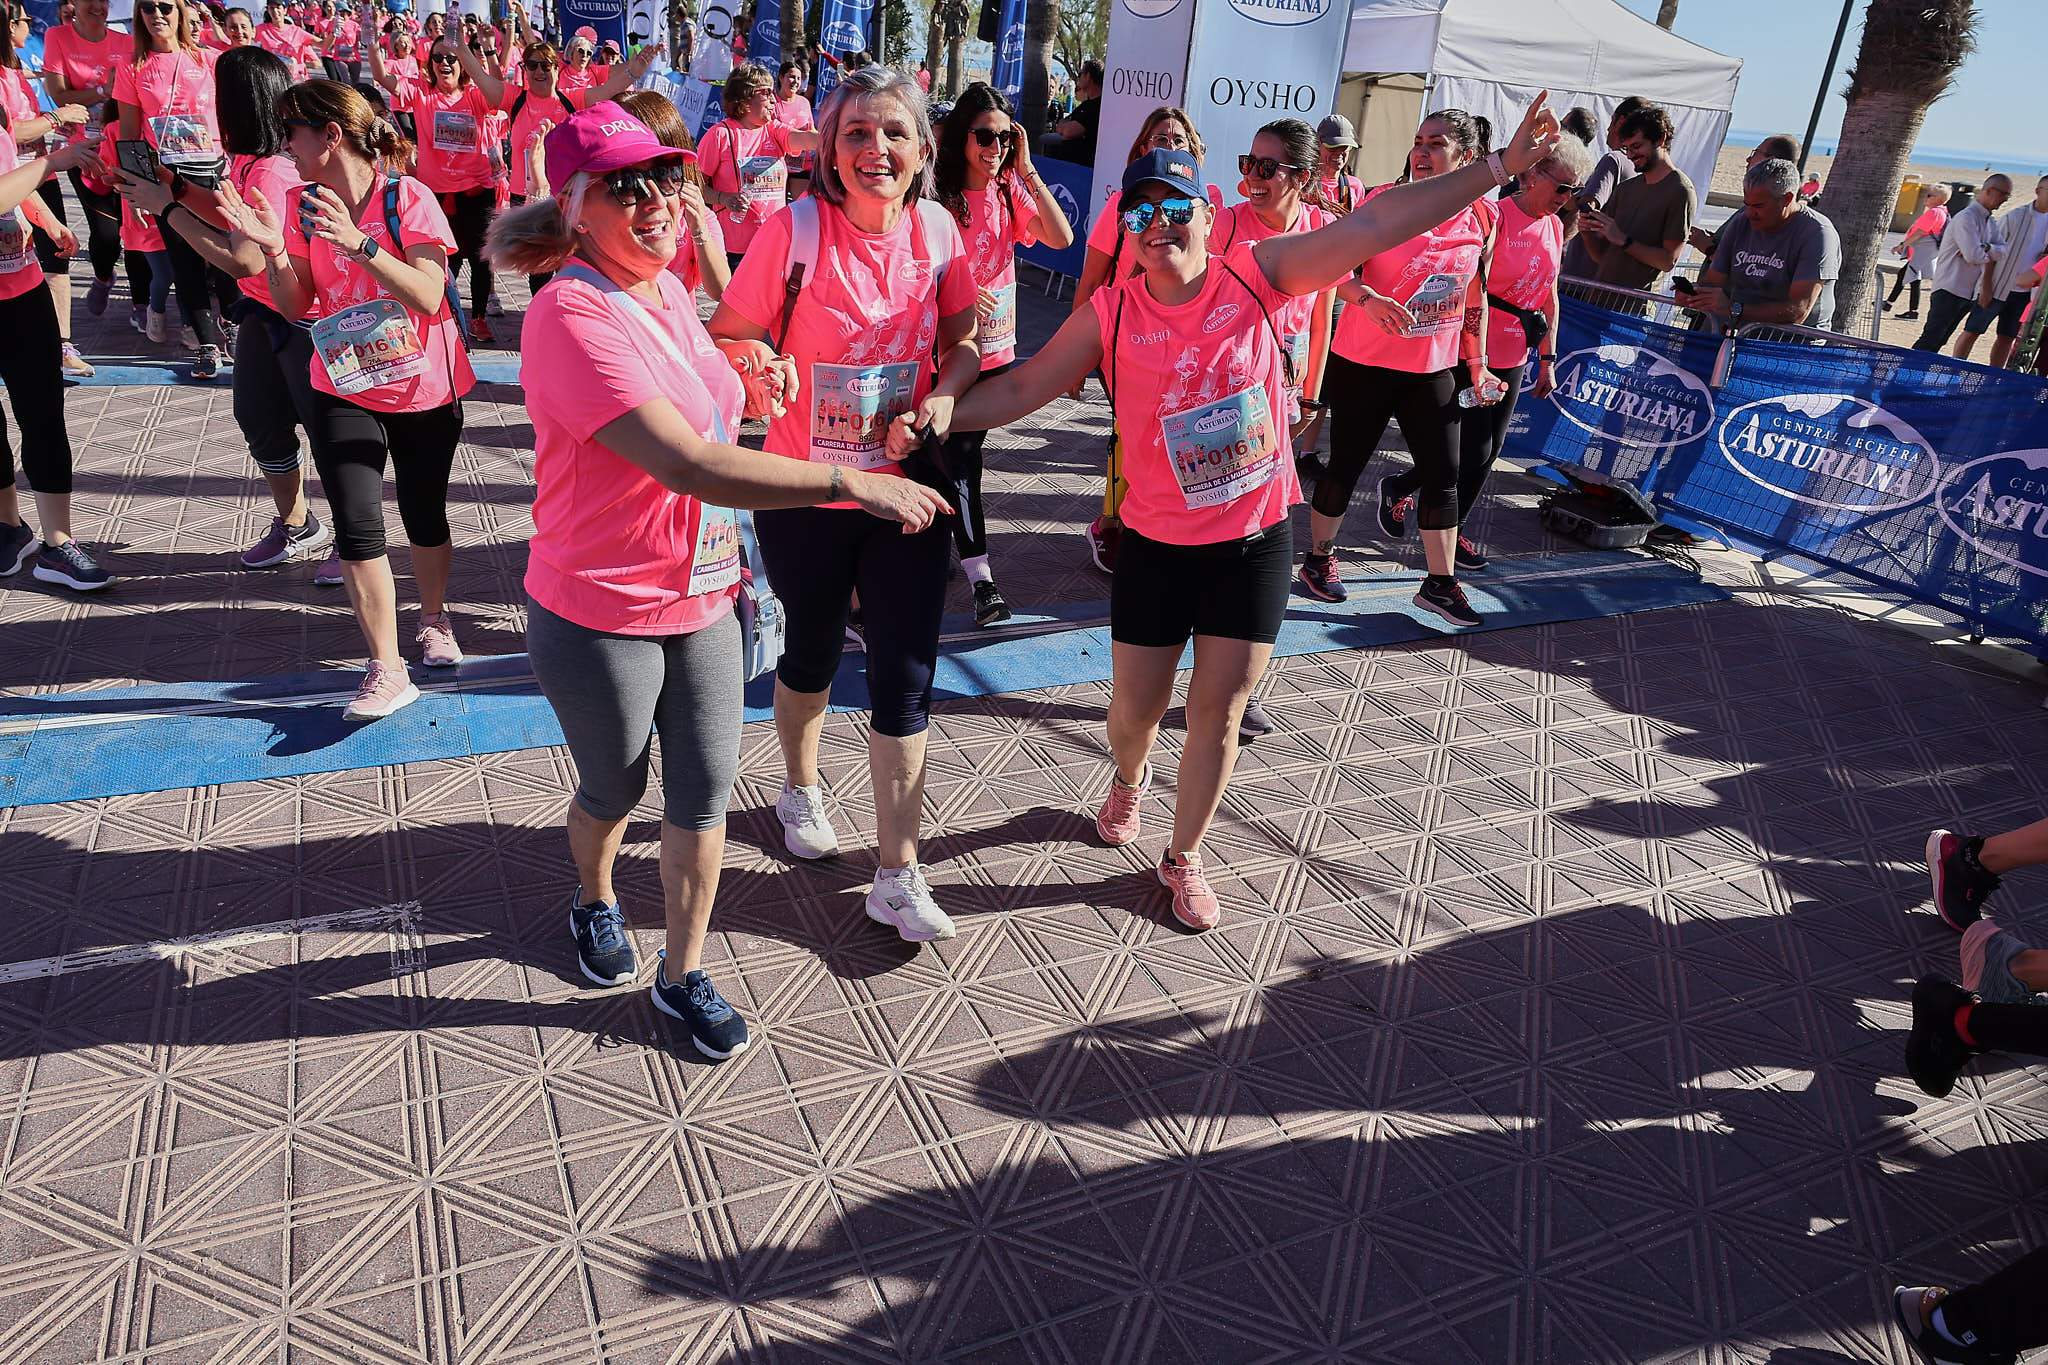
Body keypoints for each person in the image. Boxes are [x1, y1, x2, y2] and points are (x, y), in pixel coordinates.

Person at [897, 98, 1564, 929]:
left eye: (1177, 208)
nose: (1157, 223)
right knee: (1131, 715)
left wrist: (1497, 169)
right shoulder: (1110, 313)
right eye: (1141, 209)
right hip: (1153, 544)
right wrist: (927, 412)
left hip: (1252, 540)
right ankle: (1130, 776)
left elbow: (1381, 221)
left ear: (1209, 218)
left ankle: (1183, 857)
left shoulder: (1260, 272)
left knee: (1219, 709)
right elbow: (1026, 388)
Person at [483, 101, 946, 1059]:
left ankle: (684, 971)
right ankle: (596, 896)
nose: (654, 201)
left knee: (702, 794)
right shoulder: (569, 314)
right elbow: (690, 462)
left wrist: (754, 371)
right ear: (573, 208)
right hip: (598, 605)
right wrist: (847, 483)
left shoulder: (662, 288)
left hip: (702, 591)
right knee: (615, 788)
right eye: (624, 186)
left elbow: (713, 379)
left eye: (664, 179)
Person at [708, 65, 979, 943]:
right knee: (815, 652)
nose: (876, 149)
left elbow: (966, 341)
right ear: (828, 149)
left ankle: (897, 875)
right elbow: (731, 334)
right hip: (807, 491)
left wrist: (941, 401)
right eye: (857, 133)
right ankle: (799, 782)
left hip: (904, 486)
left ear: (922, 149)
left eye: (894, 132)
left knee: (906, 676)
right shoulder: (793, 232)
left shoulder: (940, 231)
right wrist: (761, 365)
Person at [211, 77, 474, 720]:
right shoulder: (301, 202)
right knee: (358, 524)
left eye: (293, 134)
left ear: (331, 137)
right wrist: (276, 248)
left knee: (423, 513)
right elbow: (298, 303)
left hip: (421, 386)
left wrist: (356, 243)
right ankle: (386, 666)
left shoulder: (407, 197)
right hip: (342, 381)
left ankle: (434, 618)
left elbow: (429, 295)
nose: (285, 149)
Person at [113, 46, 335, 571]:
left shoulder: (274, 171)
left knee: (328, 434)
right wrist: (174, 186)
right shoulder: (246, 162)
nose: (206, 102)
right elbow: (226, 211)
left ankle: (353, 538)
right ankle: (298, 524)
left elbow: (242, 259)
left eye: (216, 91)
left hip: (305, 325)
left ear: (237, 101)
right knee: (259, 420)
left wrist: (166, 207)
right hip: (262, 317)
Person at [1298, 108, 1500, 629]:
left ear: (1467, 159)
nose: (1422, 152)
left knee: (1444, 475)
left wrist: (1476, 367)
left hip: (1433, 367)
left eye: (1436, 143)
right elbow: (1334, 268)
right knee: (1345, 466)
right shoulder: (1381, 200)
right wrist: (1367, 300)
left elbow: (1476, 296)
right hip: (1365, 360)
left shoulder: (1482, 217)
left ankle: (1439, 583)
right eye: (1418, 141)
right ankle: (1319, 560)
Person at [1379, 133, 1590, 572]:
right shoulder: (1497, 216)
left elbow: (1549, 294)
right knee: (1464, 451)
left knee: (1488, 452)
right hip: (1472, 352)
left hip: (1515, 355)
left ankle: (1431, 512)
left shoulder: (1554, 226)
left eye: (1576, 191)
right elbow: (1469, 286)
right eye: (1563, 187)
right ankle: (1422, 511)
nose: (1567, 199)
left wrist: (1547, 358)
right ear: (1532, 174)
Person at [1206, 117, 1339, 739]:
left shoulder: (1318, 231)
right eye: (1247, 162)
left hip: (1280, 412)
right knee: (1211, 544)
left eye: (1266, 167)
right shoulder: (1225, 224)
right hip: (1217, 412)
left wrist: (1311, 393)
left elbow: (1322, 317)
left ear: (1304, 179)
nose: (1250, 178)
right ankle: (1196, 670)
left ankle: (1240, 684)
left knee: (1261, 542)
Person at [932, 82, 1073, 627]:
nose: (995, 148)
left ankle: (950, 541)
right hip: (944, 350)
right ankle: (982, 580)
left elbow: (1061, 240)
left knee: (958, 457)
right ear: (962, 138)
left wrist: (1028, 168)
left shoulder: (1010, 190)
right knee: (960, 458)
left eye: (1004, 139)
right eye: (985, 137)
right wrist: (957, 286)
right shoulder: (937, 198)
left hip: (996, 350)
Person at [1067, 104, 1213, 574]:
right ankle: (1110, 524)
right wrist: (1075, 358)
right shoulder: (1120, 204)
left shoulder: (1205, 204)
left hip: (1186, 344)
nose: (1167, 146)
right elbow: (1089, 280)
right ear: (1141, 148)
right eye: (1158, 139)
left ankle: (1158, 525)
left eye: (1177, 140)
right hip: (1121, 339)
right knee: (1130, 433)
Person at [0, 107, 111, 589]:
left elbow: (11, 181)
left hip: (23, 291)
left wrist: (46, 222)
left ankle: (57, 542)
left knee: (42, 415)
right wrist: (54, 162)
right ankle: (8, 526)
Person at [115, 0, 234, 379]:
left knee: (226, 257)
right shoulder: (132, 66)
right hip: (169, 179)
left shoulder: (210, 61)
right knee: (185, 263)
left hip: (216, 174)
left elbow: (233, 120)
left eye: (165, 6)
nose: (157, 14)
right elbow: (130, 135)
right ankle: (205, 342)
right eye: (148, 7)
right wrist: (134, 190)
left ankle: (234, 325)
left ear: (182, 13)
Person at [369, 18, 505, 344]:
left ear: (462, 62)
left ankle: (479, 317)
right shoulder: (421, 93)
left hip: (476, 191)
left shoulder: (474, 95)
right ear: (430, 63)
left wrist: (488, 49)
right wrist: (372, 43)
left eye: (451, 57)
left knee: (481, 258)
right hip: (436, 194)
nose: (444, 63)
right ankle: (446, 314)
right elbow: (380, 76)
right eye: (438, 57)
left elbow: (498, 92)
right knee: (443, 261)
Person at [41, 0, 132, 369]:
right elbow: (59, 95)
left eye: (104, 0)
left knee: (132, 228)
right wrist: (102, 92)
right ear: (72, 4)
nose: (98, 6)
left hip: (122, 145)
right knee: (106, 234)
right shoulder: (57, 36)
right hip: (82, 149)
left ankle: (141, 304)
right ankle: (103, 276)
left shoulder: (124, 41)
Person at [1685, 157, 1840, 332]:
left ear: (1787, 199)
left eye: (1759, 206)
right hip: (1736, 334)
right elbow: (1713, 282)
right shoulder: (1741, 221)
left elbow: (1798, 311)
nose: (1750, 213)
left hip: (1787, 344)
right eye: (1746, 204)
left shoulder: (1817, 233)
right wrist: (1693, 294)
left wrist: (1734, 308)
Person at [696, 61, 817, 272]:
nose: (774, 99)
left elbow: (803, 139)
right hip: (735, 248)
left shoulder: (774, 130)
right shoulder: (720, 135)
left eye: (773, 92)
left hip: (775, 242)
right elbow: (695, 187)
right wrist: (723, 198)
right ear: (745, 98)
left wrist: (837, 138)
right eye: (766, 92)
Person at [612, 88, 726, 300]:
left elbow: (721, 290)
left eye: (663, 170)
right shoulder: (604, 206)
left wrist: (699, 230)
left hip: (672, 330)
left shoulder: (692, 215)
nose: (652, 197)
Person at [1577, 102, 1693, 294]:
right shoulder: (1625, 189)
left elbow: (1667, 261)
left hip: (1633, 309)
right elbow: (1602, 256)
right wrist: (1587, 233)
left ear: (1661, 139)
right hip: (1598, 300)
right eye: (1627, 148)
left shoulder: (1680, 191)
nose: (1631, 155)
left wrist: (1623, 240)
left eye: (1637, 146)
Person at [1955, 173, 2048, 367]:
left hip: (2025, 292)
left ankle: (1995, 376)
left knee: (2007, 336)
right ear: (2038, 191)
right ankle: (1956, 367)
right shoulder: (2015, 217)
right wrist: (1986, 286)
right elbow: (1991, 251)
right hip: (1998, 285)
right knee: (1973, 330)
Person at [1913, 175, 2010, 353]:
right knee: (1930, 339)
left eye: (2008, 196)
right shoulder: (1967, 218)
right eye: (2003, 194)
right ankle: (1903, 376)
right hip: (1949, 288)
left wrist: (1985, 247)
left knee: (1939, 341)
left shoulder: (1990, 221)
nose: (2005, 199)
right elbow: (1973, 255)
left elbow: (2003, 251)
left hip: (1967, 292)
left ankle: (1913, 376)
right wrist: (1986, 251)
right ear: (1989, 191)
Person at [1557, 95, 1646, 280]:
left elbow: (1586, 208)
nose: (1607, 128)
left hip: (1582, 279)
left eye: (1612, 120)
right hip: (1608, 277)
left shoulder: (1613, 160)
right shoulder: (1640, 169)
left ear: (1620, 122)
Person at [1685, 132, 1798, 262]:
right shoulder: (1758, 207)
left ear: (1769, 160)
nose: (1748, 159)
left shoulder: (1768, 213)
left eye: (1755, 153)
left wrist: (1707, 246)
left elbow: (1747, 264)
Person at [1886, 183, 1951, 319]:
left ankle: (1901, 308)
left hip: (1921, 252)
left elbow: (1920, 232)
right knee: (1911, 277)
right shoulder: (1943, 212)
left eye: (1929, 195)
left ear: (1938, 199)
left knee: (1909, 276)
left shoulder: (1934, 212)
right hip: (1924, 252)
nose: (1925, 198)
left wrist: (1902, 245)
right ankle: (1895, 306)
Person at [1040, 58, 1098, 165]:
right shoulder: (1086, 105)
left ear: (1088, 76)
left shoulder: (1095, 107)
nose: (1078, 78)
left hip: (1080, 166)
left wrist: (1065, 127)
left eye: (1080, 74)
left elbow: (1068, 131)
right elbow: (1062, 124)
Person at [1314, 114, 1363, 215]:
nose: (1339, 153)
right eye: (1333, 146)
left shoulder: (1355, 186)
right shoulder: (1305, 183)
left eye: (1344, 147)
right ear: (1318, 145)